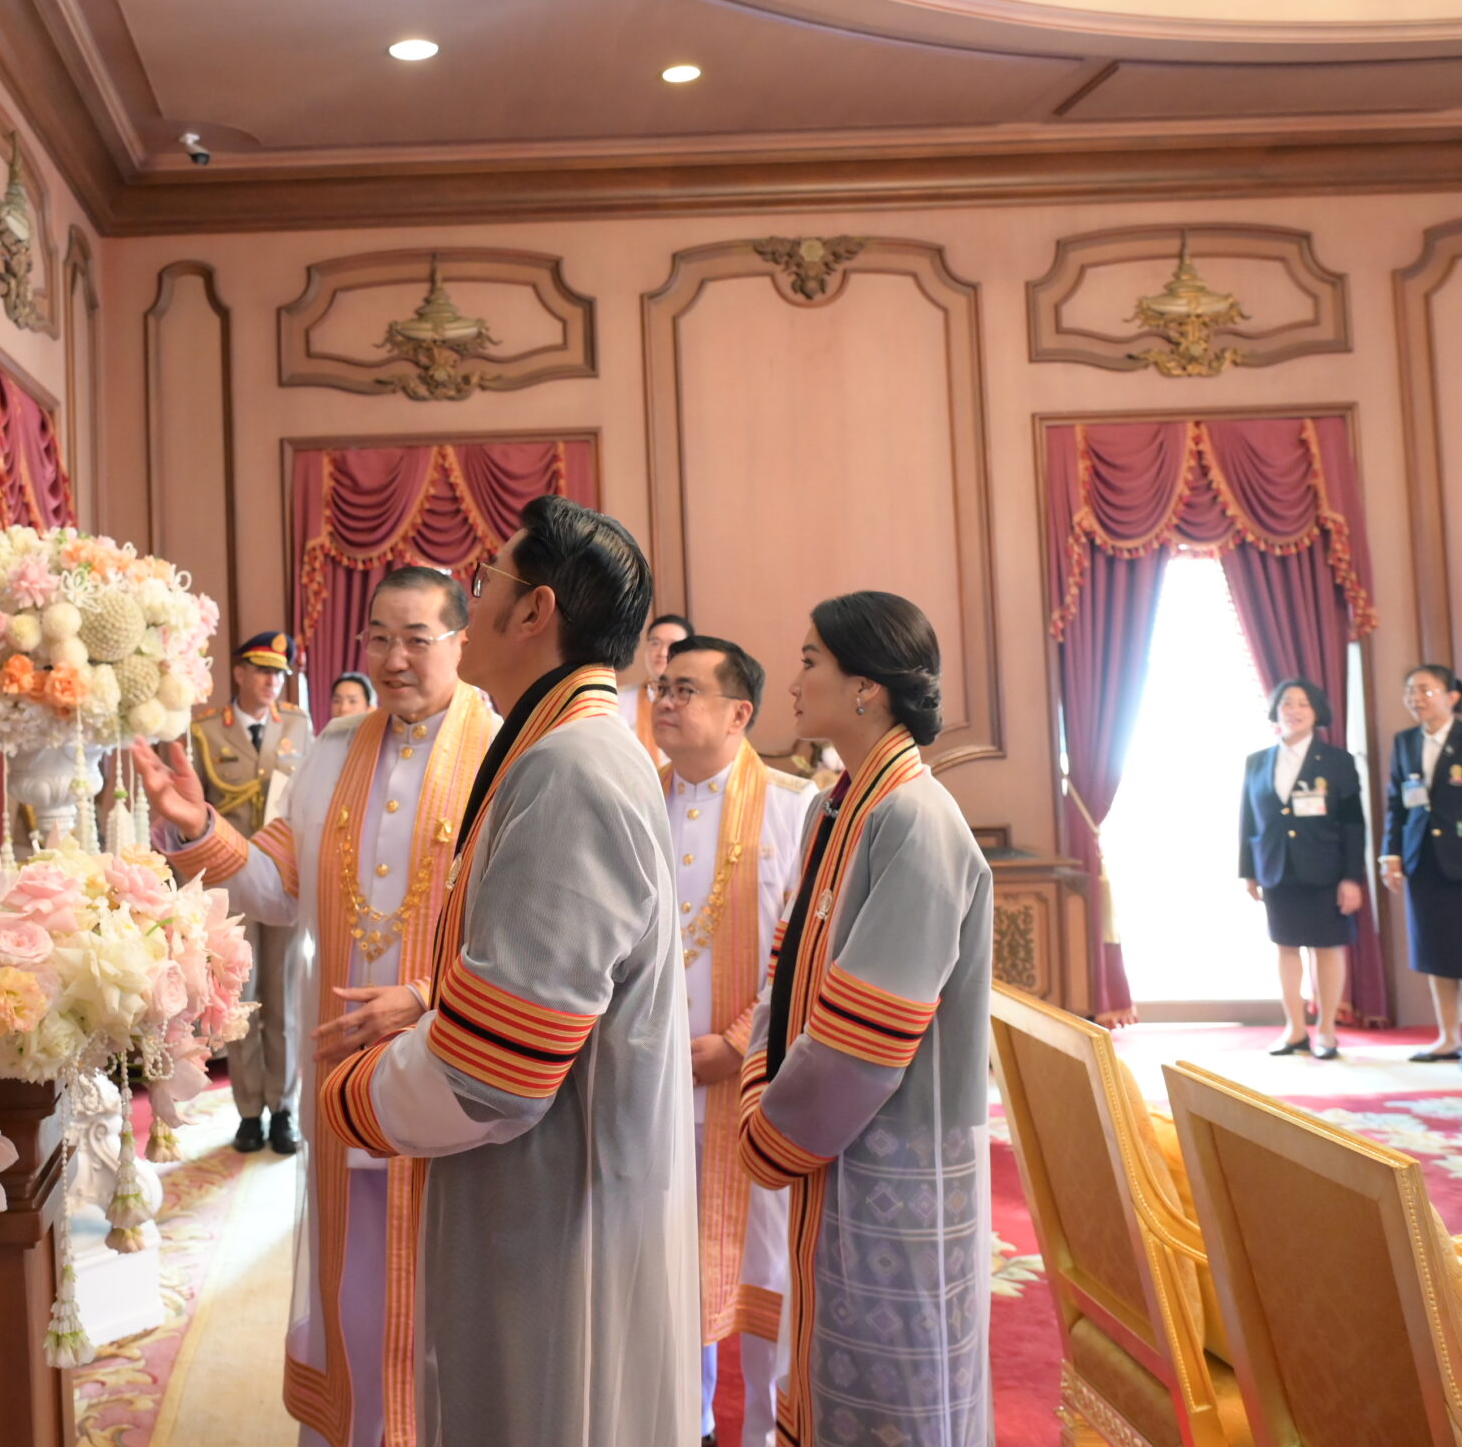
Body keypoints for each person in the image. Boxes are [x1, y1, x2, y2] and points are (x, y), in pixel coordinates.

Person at [320, 496, 695, 1447]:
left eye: (488, 581)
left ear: (535, 611)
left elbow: (497, 1070)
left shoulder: (571, 765)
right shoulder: (565, 746)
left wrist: (353, 1096)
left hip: (554, 1204)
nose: (475, 598)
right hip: (544, 1185)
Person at [136, 570, 497, 1447]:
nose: (395, 658)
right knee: (356, 1284)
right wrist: (199, 828)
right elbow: (277, 884)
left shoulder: (504, 748)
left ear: (461, 641)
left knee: (453, 1293)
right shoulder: (333, 747)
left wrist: (428, 999)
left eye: (417, 638)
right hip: (344, 1068)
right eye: (380, 638)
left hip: (455, 1065)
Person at [739, 591, 992, 1447]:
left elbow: (866, 1039)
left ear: (866, 688)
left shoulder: (915, 818)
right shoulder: (836, 805)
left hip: (894, 1157)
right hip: (832, 1144)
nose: (794, 680)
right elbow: (787, 971)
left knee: (895, 1394)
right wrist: (767, 1084)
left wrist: (772, 1126)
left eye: (810, 660)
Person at [656, 634, 809, 1447]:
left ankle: (764, 1433)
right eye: (662, 687)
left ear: (739, 712)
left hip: (754, 1088)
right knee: (663, 1276)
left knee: (764, 1275)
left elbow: (803, 954)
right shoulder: (634, 800)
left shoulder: (794, 807)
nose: (665, 700)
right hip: (648, 1084)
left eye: (686, 689)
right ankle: (683, 1427)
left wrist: (739, 1042)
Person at [191, 630, 314, 1152]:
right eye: (262, 670)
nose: (272, 681)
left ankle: (283, 1107)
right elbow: (195, 814)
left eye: (279, 673)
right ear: (239, 672)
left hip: (285, 883)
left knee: (284, 1000)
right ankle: (248, 1112)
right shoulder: (206, 732)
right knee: (239, 1004)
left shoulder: (299, 726)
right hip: (230, 889)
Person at [1381, 665, 1462, 1071]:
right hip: (1423, 861)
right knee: (1435, 953)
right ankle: (1449, 1039)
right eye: (1410, 691)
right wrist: (1391, 854)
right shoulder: (1405, 741)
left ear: (1451, 695)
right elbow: (1397, 804)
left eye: (1425, 690)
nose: (1415, 698)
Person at [1236, 678, 1367, 1060]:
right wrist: (1248, 871)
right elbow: (1248, 820)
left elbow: (1354, 824)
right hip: (1276, 868)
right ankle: (1294, 1029)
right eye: (1286, 703)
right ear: (1276, 711)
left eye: (1302, 704)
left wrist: (1351, 878)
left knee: (1326, 948)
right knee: (1286, 946)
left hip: (1326, 869)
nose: (1293, 711)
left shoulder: (1338, 761)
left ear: (1316, 712)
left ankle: (1326, 1031)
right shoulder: (1257, 761)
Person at [619, 612, 691, 763]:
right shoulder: (618, 701)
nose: (662, 653)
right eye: (655, 643)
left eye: (673, 645)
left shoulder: (699, 701)